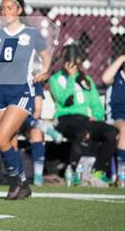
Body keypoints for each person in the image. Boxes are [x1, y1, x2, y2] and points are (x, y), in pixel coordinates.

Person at [0, 0, 51, 199]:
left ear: (19, 10)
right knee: (10, 141)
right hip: (1, 93)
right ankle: (20, 183)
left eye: (9, 7)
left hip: (21, 92)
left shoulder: (31, 34)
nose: (5, 11)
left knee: (1, 139)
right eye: (3, 7)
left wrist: (45, 71)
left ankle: (17, 180)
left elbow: (46, 56)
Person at [50, 44, 118, 187]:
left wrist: (97, 115)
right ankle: (72, 171)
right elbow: (64, 100)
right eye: (69, 60)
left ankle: (98, 172)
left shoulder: (86, 80)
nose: (73, 64)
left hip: (84, 119)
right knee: (83, 133)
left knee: (112, 133)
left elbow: (96, 104)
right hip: (65, 118)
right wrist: (71, 77)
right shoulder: (56, 79)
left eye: (75, 60)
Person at [11, 82, 63, 186]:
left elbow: (38, 109)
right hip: (13, 120)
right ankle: (45, 128)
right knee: (19, 114)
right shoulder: (13, 82)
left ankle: (38, 176)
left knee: (37, 132)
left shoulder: (35, 84)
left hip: (29, 122)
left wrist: (33, 122)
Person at [102, 43, 125, 188]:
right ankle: (121, 175)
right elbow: (105, 78)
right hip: (116, 118)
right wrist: (122, 58)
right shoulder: (116, 77)